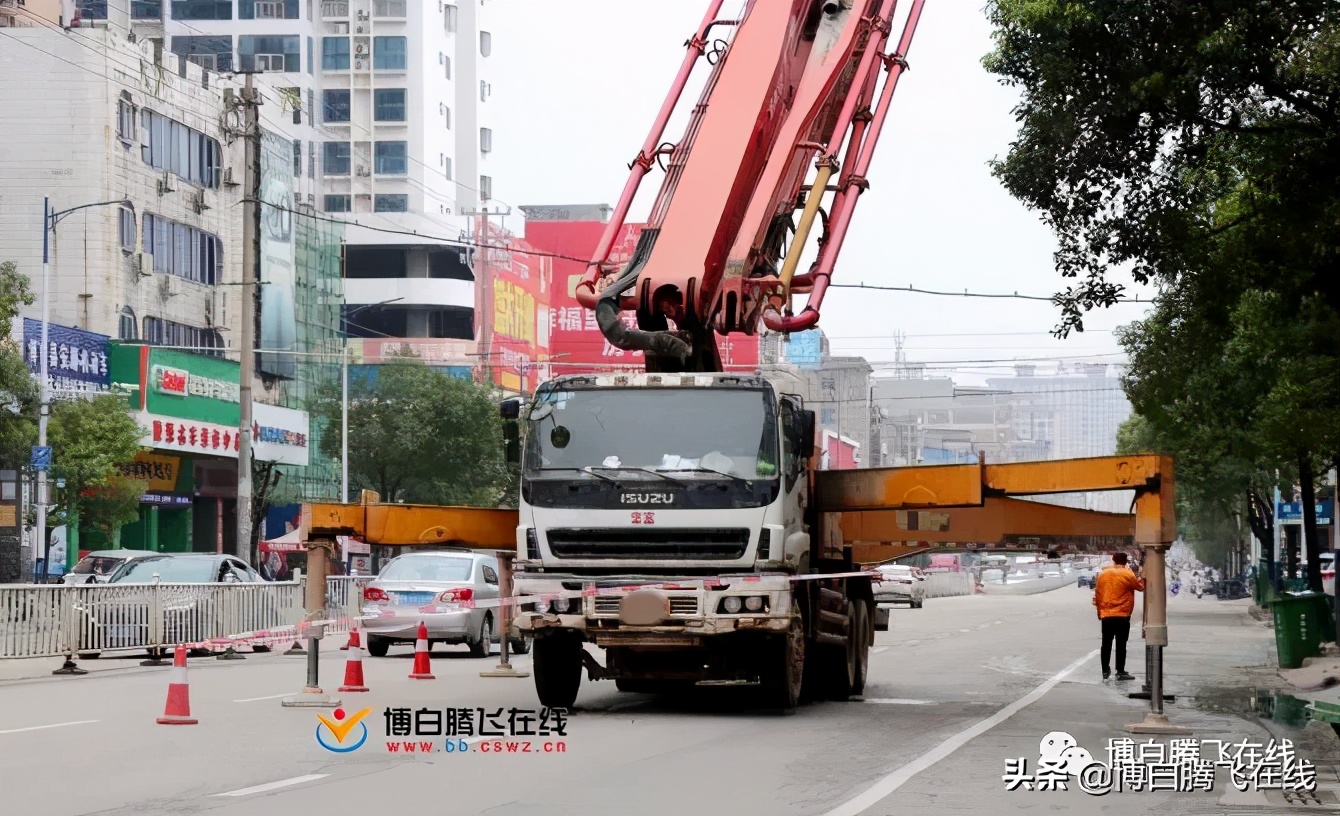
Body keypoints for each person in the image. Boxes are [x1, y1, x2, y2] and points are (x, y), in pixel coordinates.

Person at [1093, 552, 1145, 681]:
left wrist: (1100, 612)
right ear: (1126, 561)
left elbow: (1097, 596)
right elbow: (1140, 587)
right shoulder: (1128, 574)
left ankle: (1105, 670)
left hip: (1106, 615)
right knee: (1121, 644)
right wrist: (1144, 576)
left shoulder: (1102, 575)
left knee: (1106, 643)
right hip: (1122, 615)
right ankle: (1120, 671)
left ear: (1113, 560)